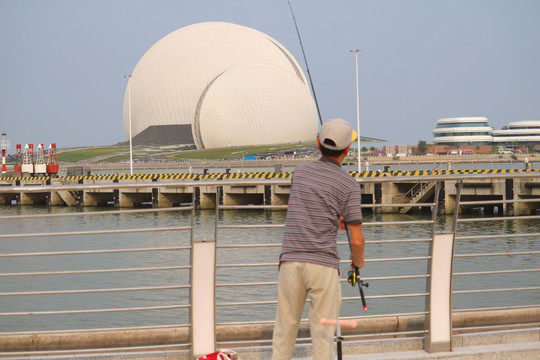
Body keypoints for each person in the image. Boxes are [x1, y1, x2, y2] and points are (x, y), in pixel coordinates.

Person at [272, 119, 366, 360]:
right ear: (348, 150)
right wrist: (358, 263)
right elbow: (356, 241)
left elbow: (310, 208)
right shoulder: (349, 185)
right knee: (323, 334)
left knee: (284, 330)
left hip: (290, 262)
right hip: (323, 266)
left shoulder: (300, 172)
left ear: (318, 144)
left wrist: (335, 220)